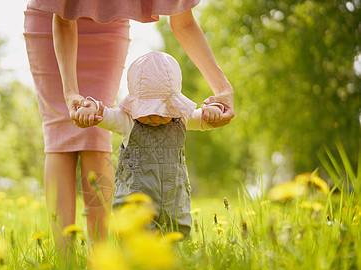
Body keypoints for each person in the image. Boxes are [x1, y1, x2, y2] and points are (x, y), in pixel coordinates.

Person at [24, 0, 234, 251]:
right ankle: (63, 259)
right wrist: (70, 93)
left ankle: (101, 255)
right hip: (53, 19)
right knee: (60, 131)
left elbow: (184, 20)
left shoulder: (175, 118)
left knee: (95, 138)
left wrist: (221, 91)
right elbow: (64, 16)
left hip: (109, 24)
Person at [75, 51, 226, 236]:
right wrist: (91, 109)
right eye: (147, 109)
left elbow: (204, 118)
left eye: (163, 109)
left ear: (175, 105)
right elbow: (105, 114)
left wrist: (214, 110)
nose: (154, 115)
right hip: (136, 210)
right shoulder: (127, 121)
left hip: (175, 207)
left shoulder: (182, 119)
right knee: (137, 251)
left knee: (177, 245)